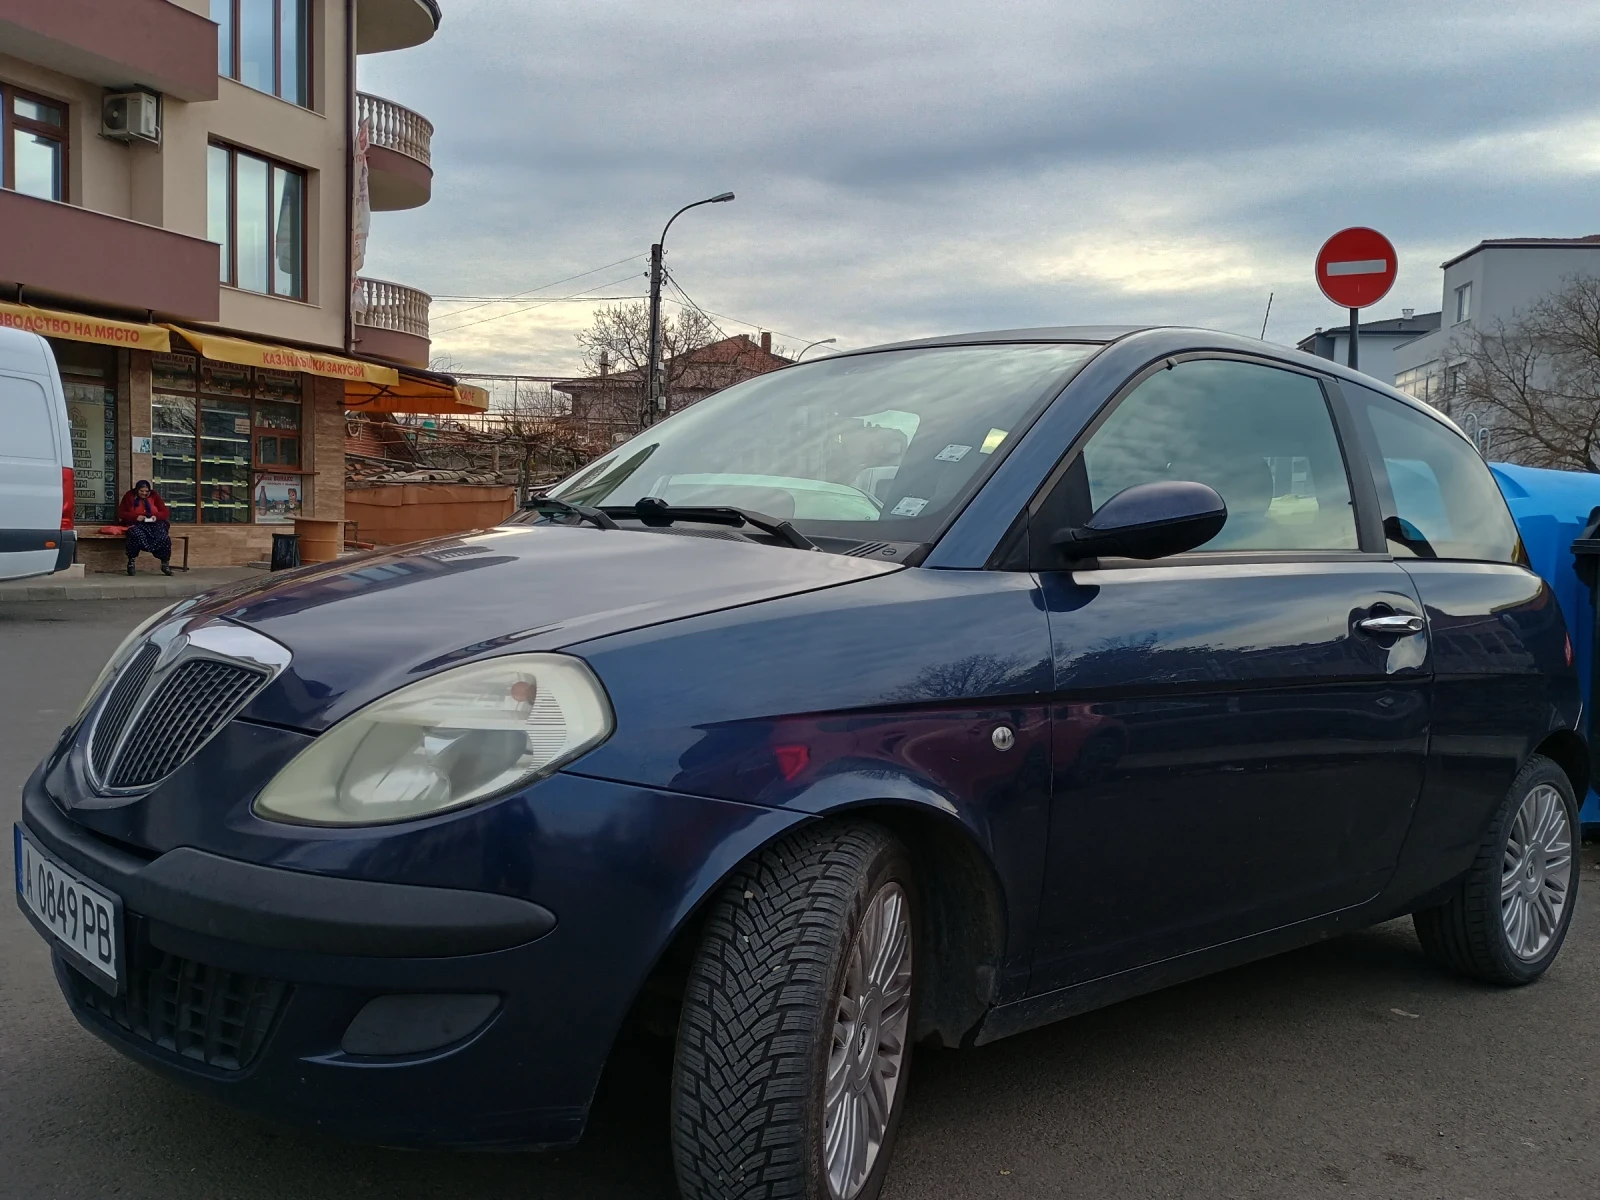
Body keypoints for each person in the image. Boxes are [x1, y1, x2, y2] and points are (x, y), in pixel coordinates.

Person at [117, 480, 173, 576]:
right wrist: (135, 517)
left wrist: (156, 517)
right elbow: (121, 513)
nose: (144, 493)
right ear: (137, 490)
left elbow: (165, 512)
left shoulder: (154, 496)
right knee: (135, 534)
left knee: (163, 537)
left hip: (154, 523)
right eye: (141, 491)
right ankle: (131, 562)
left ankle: (165, 563)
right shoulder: (129, 496)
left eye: (146, 491)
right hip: (136, 523)